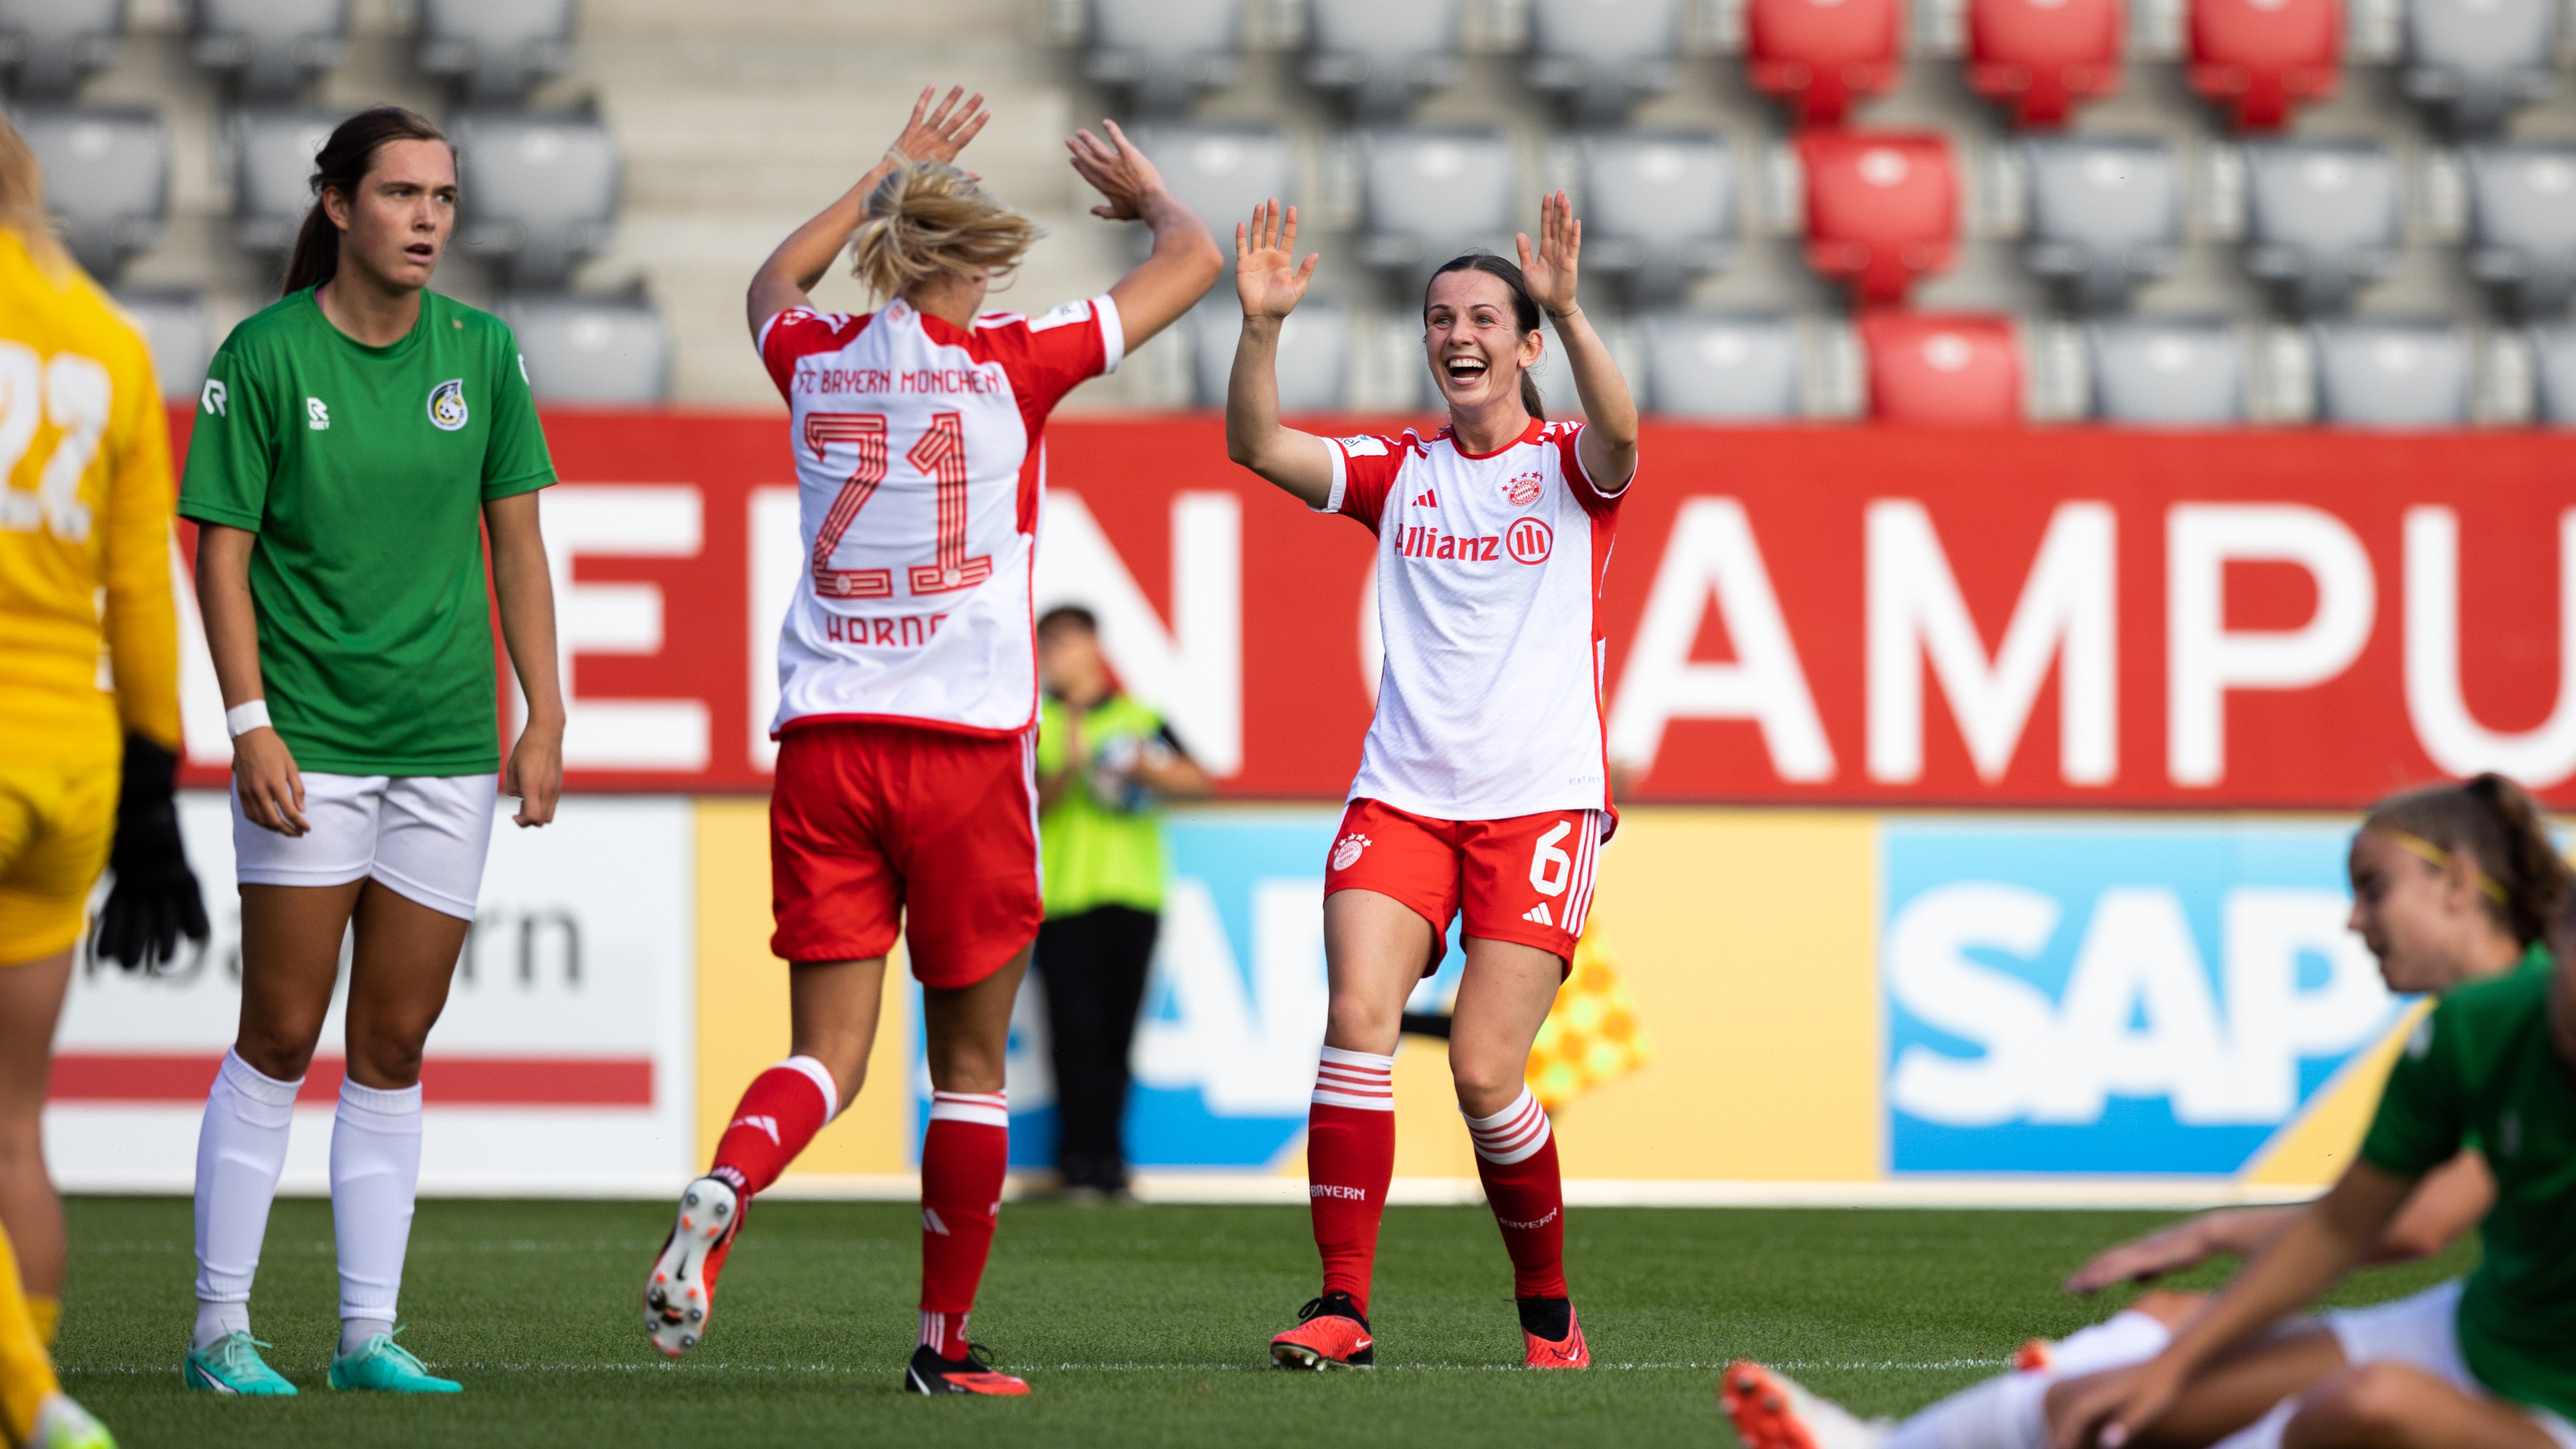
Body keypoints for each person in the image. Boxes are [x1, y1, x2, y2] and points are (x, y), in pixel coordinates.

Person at [639, 87, 1221, 1396]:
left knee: (825, 1058)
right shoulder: (1016, 362)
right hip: (960, 752)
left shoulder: (812, 355)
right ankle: (940, 1347)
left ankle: (732, 1176)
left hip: (827, 745)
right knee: (968, 1068)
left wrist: (883, 168)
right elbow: (1192, 264)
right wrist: (1151, 200)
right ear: (976, 266)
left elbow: (766, 276)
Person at [1721, 771, 2573, 1449]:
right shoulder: (2476, 1027)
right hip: (2477, 1336)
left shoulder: (2491, 1012)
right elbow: (2345, 1224)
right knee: (2112, 1397)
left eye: (2372, 889)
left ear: (2459, 884)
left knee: (2355, 1405)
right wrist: (2174, 1365)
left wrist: (2209, 1239)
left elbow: (2419, 1221)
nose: (2352, 921)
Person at [176, 105, 565, 1397]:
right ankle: (219, 1332)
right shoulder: (264, 356)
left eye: (443, 198)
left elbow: (517, 544)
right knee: (281, 1033)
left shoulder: (486, 353)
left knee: (395, 1043)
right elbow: (217, 557)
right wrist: (251, 727)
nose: (428, 220)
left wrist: (543, 713)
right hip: (312, 740)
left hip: (446, 748)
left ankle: (364, 1339)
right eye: (401, 194)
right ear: (337, 205)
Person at [1225, 193, 1641, 1371]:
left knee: (1479, 1070)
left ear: (1521, 346)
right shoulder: (1393, 472)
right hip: (1400, 796)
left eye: (1481, 317)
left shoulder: (1567, 467)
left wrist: (1569, 306)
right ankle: (1341, 1306)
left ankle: (1547, 1310)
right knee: (1354, 1024)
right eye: (1436, 319)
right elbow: (1255, 446)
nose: (1456, 334)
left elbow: (1622, 436)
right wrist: (1258, 330)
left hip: (1540, 806)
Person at [0, 109, 200, 1449]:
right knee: (14, 1120)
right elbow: (145, 592)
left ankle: (38, 1401)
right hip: (70, 757)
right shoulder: (108, 339)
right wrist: (150, 802)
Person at [1031, 603, 1212, 1199]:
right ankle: (1076, 1163)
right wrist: (1072, 767)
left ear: (1090, 644)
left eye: (1062, 641)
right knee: (1071, 1032)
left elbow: (1196, 780)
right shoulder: (1037, 723)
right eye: (1045, 644)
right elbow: (1025, 804)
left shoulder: (1139, 718)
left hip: (1133, 895)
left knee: (1115, 1034)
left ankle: (1107, 1165)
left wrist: (1142, 769)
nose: (1052, 655)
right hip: (1062, 897)